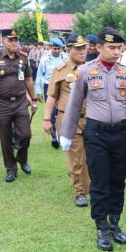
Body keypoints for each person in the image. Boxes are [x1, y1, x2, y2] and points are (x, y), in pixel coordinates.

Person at [59, 27, 126, 251]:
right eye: (111, 47)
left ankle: (115, 225)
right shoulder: (85, 72)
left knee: (118, 181)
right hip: (96, 134)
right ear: (99, 48)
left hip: (120, 134)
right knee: (99, 182)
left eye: (119, 47)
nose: (117, 52)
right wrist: (67, 134)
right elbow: (73, 105)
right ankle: (101, 228)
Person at [0, 31, 38, 183]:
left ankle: (22, 158)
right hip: (2, 103)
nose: (14, 42)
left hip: (21, 102)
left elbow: (28, 79)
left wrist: (33, 100)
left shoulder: (23, 57)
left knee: (26, 134)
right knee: (6, 138)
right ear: (3, 41)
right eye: (11, 40)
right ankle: (11, 168)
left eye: (16, 40)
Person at [43, 34, 90, 207]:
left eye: (84, 48)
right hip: (69, 119)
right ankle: (80, 192)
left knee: (91, 156)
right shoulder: (60, 70)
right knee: (75, 157)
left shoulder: (92, 68)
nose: (82, 51)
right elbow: (51, 97)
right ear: (68, 50)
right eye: (78, 48)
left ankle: (88, 183)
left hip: (92, 119)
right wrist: (47, 119)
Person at [35, 37, 68, 148]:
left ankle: (63, 135)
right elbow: (39, 75)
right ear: (50, 47)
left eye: (59, 49)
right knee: (53, 112)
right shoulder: (44, 59)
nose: (57, 51)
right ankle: (54, 136)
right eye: (55, 48)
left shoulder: (65, 58)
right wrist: (38, 92)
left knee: (63, 111)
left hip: (63, 87)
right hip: (49, 86)